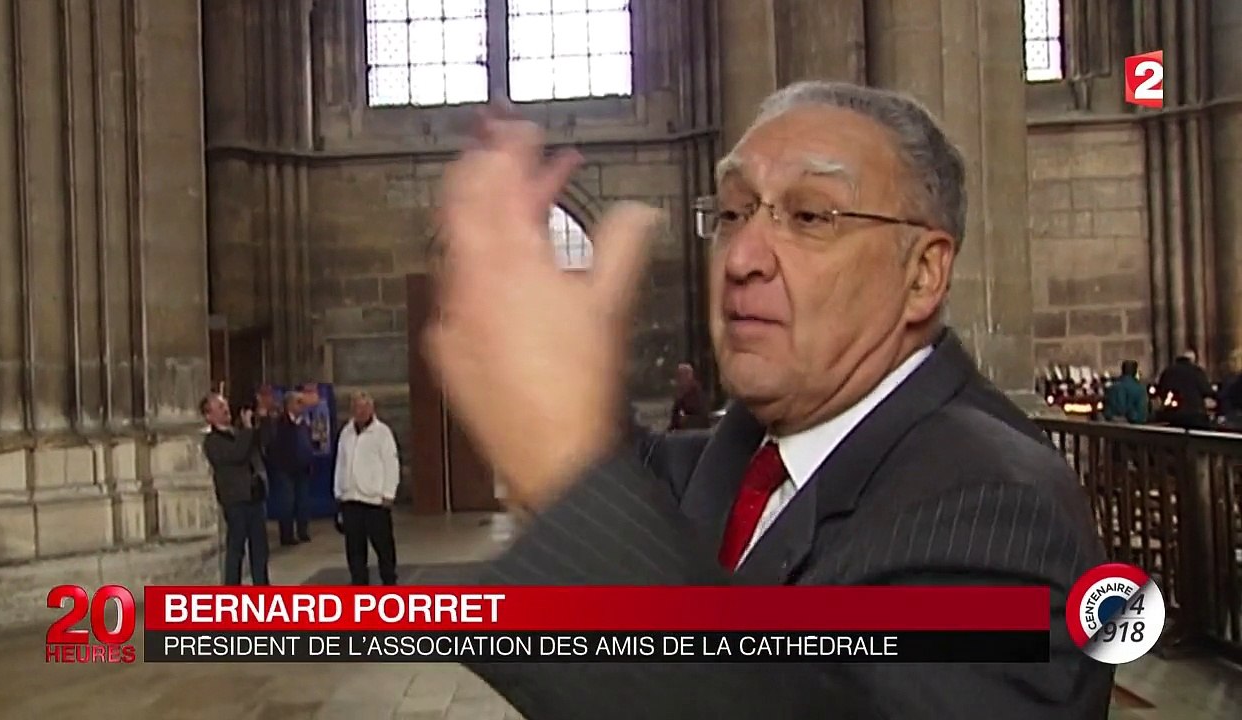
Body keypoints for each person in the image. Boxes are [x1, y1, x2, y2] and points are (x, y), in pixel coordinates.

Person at [425, 84, 1113, 719]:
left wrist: (559, 465)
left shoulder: (1000, 514)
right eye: (732, 213)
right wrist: (546, 369)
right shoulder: (743, 455)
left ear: (923, 274)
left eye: (810, 215)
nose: (741, 257)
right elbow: (635, 497)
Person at [200, 392, 270, 586]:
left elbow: (263, 443)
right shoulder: (213, 442)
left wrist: (262, 419)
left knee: (260, 550)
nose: (226, 409)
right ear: (209, 416)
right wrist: (248, 428)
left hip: (254, 496)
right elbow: (237, 454)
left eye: (225, 405)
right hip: (236, 501)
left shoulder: (238, 433)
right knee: (236, 549)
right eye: (220, 407)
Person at [333, 392, 401, 585]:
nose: (360, 411)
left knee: (383, 547)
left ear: (371, 409)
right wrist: (338, 491)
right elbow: (340, 462)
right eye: (356, 407)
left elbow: (391, 464)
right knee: (354, 548)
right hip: (351, 499)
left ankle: (389, 581)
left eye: (364, 407)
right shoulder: (346, 433)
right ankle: (359, 584)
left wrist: (389, 493)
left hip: (375, 501)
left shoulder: (382, 433)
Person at [269, 391, 314, 544]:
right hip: (285, 469)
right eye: (298, 402)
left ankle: (303, 531)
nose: (302, 405)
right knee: (287, 502)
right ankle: (287, 535)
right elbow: (274, 445)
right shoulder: (279, 423)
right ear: (289, 405)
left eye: (302, 402)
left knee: (303, 501)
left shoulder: (304, 423)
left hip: (303, 468)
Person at [1155, 349, 1214, 429]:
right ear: (1192, 360)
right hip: (1194, 414)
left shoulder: (1167, 371)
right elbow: (1207, 391)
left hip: (1172, 414)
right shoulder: (1197, 371)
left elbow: (1160, 390)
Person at [667, 362, 709, 431]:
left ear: (689, 376)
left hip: (696, 431)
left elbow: (701, 416)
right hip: (681, 432)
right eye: (678, 375)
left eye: (681, 375)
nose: (678, 379)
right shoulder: (681, 394)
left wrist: (685, 419)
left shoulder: (697, 393)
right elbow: (675, 416)